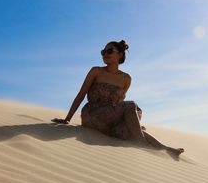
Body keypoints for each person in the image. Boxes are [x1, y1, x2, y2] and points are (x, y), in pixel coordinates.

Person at [52, 40, 184, 157]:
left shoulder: (126, 79)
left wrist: (133, 123)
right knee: (132, 105)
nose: (105, 54)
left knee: (130, 131)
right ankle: (142, 143)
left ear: (120, 54)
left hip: (110, 124)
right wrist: (67, 119)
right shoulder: (96, 71)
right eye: (103, 51)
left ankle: (166, 149)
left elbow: (118, 105)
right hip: (93, 115)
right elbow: (81, 94)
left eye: (109, 51)